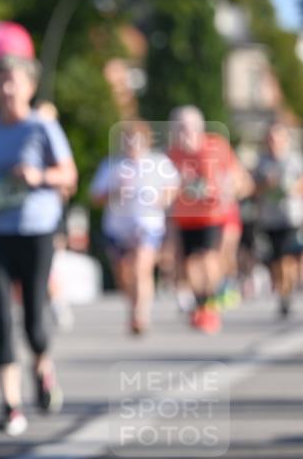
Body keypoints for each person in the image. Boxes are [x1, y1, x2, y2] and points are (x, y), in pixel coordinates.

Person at [0, 55, 78, 436]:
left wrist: (39, 175)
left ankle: (43, 368)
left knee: (33, 317)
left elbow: (70, 176)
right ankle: (10, 406)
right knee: (0, 316)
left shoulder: (42, 127)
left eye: (13, 81)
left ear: (29, 86)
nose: (6, 88)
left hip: (35, 230)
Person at [90, 120, 180, 334]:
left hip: (147, 223)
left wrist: (162, 199)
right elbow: (95, 197)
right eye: (128, 141)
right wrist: (114, 193)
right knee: (123, 275)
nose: (132, 145)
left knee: (141, 268)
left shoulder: (158, 162)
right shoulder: (111, 165)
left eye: (136, 140)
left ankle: (141, 314)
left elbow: (173, 186)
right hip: (117, 227)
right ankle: (133, 306)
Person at [167, 106, 248, 334]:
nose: (184, 132)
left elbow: (234, 173)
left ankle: (210, 304)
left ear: (199, 127)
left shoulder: (215, 145)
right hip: (184, 217)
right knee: (190, 264)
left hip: (212, 214)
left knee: (209, 258)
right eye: (179, 127)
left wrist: (225, 188)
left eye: (188, 127)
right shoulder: (172, 153)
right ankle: (201, 302)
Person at [253, 122, 303, 317]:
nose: (274, 142)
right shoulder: (262, 162)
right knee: (274, 260)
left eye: (277, 138)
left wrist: (291, 188)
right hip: (269, 218)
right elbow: (254, 188)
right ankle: (283, 292)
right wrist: (266, 185)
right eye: (270, 139)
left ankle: (287, 292)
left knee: (286, 257)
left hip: (291, 216)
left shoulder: (294, 160)